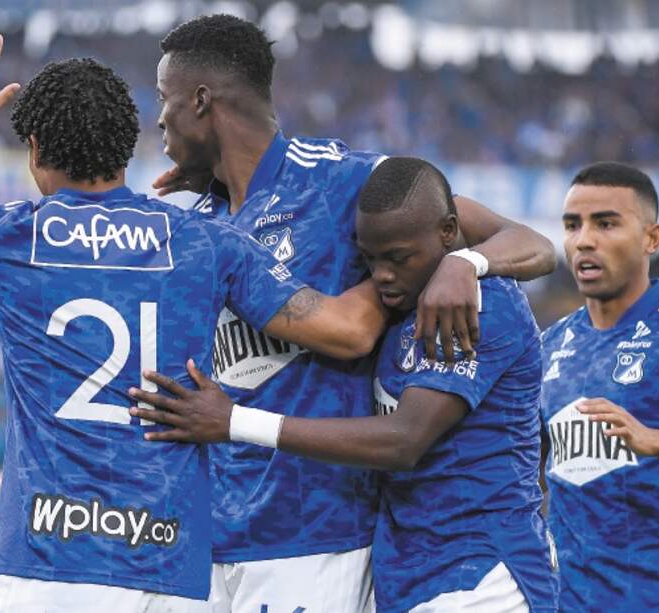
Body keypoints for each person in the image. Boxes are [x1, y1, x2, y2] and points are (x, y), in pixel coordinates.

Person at [0, 23, 385, 611]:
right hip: (165, 572)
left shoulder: (9, 235)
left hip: (45, 564)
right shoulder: (202, 240)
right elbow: (347, 330)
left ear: (37, 151)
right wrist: (424, 266)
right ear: (126, 146)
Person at [152, 14, 556, 610]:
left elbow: (532, 242)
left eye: (165, 99)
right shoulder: (204, 219)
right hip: (220, 536)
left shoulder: (340, 180)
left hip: (319, 537)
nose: (158, 117)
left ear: (202, 101)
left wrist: (465, 263)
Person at [538, 162, 659, 611]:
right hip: (566, 600)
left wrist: (658, 441)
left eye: (606, 223)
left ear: (652, 239)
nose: (584, 239)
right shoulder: (550, 344)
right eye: (573, 224)